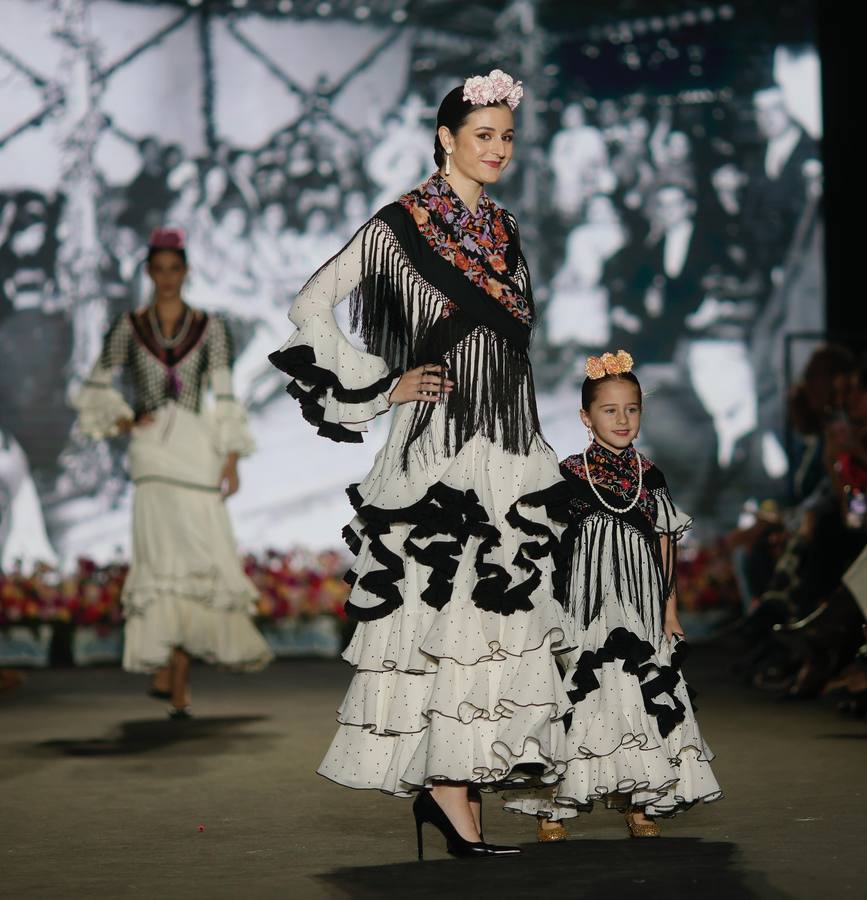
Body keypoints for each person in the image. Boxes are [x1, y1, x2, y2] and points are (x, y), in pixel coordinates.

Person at [269, 70, 572, 859]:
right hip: (437, 450)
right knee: (444, 616)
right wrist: (378, 387)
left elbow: (513, 341)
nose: (499, 148)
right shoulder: (396, 225)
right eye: (484, 135)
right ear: (446, 137)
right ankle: (446, 794)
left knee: (493, 622)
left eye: (507, 136)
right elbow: (309, 304)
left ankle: (456, 787)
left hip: (506, 446)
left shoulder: (504, 228)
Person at [506, 350, 721, 837]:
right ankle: (555, 804)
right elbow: (544, 544)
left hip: (641, 605)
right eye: (609, 409)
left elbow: (665, 545)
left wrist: (670, 611)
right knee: (581, 693)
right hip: (583, 606)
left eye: (632, 408)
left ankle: (640, 797)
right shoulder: (567, 475)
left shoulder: (652, 478)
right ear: (585, 416)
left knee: (641, 691)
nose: (622, 419)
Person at [72, 227, 272, 718]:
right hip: (152, 454)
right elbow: (95, 385)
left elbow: (224, 395)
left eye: (173, 269)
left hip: (195, 448)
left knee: (196, 562)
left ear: (185, 272)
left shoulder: (210, 327)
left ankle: (176, 674)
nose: (166, 278)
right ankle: (171, 672)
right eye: (158, 269)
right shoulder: (128, 326)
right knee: (160, 561)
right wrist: (122, 418)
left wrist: (230, 458)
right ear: (149, 272)